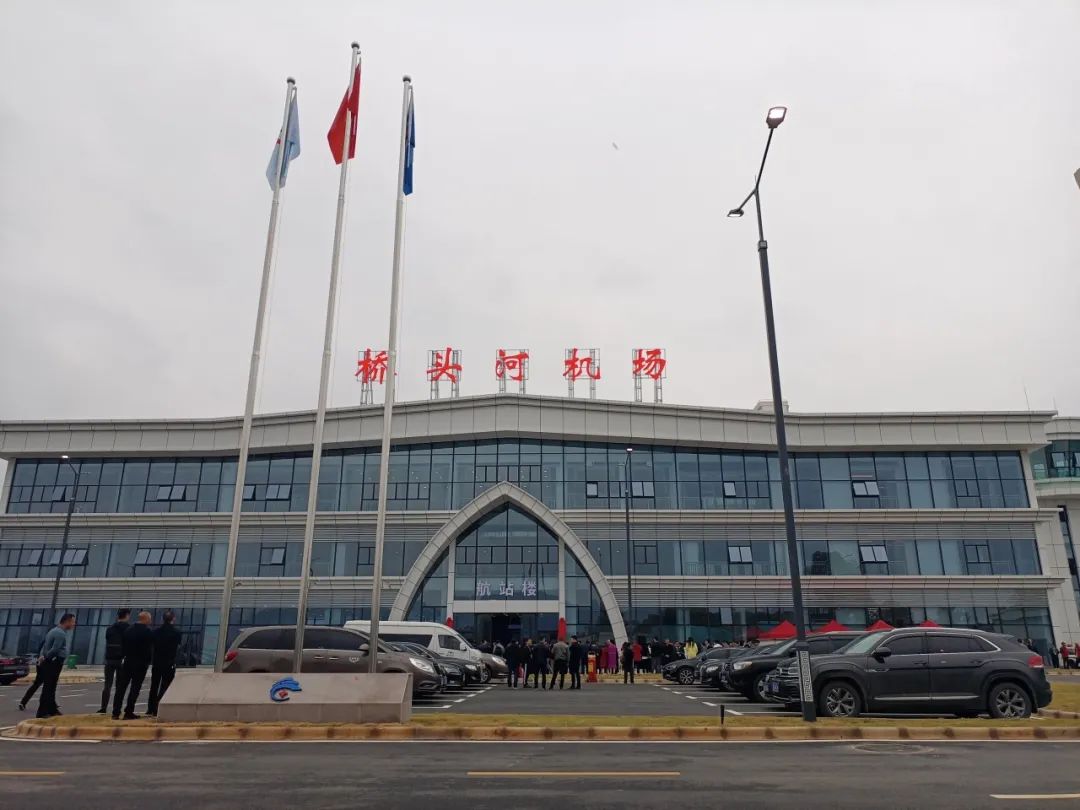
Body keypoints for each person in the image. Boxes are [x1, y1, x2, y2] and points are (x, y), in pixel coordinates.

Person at [33, 613, 77, 719]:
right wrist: (46, 657)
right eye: (72, 622)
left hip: (52, 662)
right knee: (49, 687)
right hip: (53, 662)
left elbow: (46, 646)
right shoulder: (60, 633)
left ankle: (52, 709)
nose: (74, 624)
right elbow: (55, 649)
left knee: (51, 686)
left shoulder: (54, 631)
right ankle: (42, 712)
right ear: (67, 621)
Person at [112, 611, 153, 720]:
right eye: (149, 619)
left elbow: (123, 645)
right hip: (141, 663)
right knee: (135, 688)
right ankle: (129, 711)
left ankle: (115, 712)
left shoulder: (129, 630)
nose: (150, 621)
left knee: (121, 687)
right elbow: (149, 648)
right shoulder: (148, 632)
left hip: (128, 661)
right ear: (146, 619)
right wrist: (148, 660)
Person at [146, 610, 181, 717]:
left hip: (157, 662)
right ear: (173, 619)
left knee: (154, 686)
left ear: (162, 619)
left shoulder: (155, 632)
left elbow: (152, 645)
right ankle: (158, 706)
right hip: (169, 662)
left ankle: (150, 708)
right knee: (165, 685)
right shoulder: (176, 632)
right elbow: (178, 646)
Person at [98, 608, 130, 713]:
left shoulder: (110, 628)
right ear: (127, 616)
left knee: (107, 685)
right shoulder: (128, 628)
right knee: (119, 686)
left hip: (109, 658)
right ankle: (116, 709)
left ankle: (103, 708)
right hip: (122, 659)